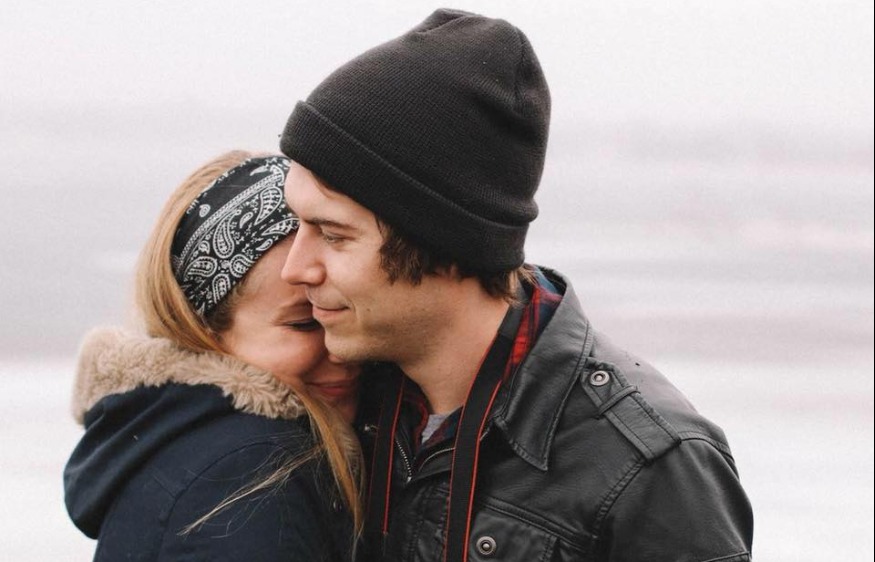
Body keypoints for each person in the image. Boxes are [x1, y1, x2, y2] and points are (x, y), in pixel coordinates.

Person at [278, 8, 754, 562]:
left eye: (333, 235)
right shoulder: (342, 397)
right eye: (297, 225)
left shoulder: (648, 467)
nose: (296, 268)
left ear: (440, 240)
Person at [64, 151, 362, 561]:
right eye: (304, 323)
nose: (343, 349)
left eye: (346, 310)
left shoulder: (167, 435)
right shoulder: (252, 477)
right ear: (205, 333)